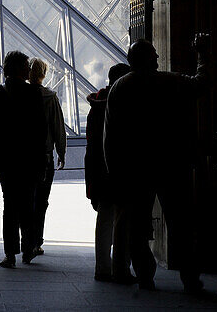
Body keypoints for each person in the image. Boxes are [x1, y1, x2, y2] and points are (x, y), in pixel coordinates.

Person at [104, 33, 210, 294]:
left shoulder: (120, 87)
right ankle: (190, 278)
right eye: (154, 53)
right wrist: (202, 54)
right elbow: (200, 84)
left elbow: (111, 136)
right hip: (172, 164)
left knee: (138, 228)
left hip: (134, 169)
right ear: (149, 60)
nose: (159, 56)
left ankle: (145, 276)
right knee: (181, 225)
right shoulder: (169, 81)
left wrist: (114, 172)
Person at [0, 50, 48, 268]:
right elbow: (41, 130)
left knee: (9, 206)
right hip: (29, 159)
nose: (28, 69)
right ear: (19, 69)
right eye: (25, 66)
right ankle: (28, 247)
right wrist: (42, 162)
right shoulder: (34, 93)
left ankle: (10, 253)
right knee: (28, 205)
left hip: (6, 160)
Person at [84, 61, 133, 283]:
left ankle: (102, 268)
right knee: (123, 223)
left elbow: (91, 146)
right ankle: (120, 267)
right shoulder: (125, 103)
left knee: (104, 220)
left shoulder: (96, 106)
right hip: (123, 168)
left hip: (100, 171)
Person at [28, 57, 67, 257]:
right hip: (44, 157)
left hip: (23, 156)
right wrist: (61, 152)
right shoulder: (50, 97)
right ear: (44, 73)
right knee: (41, 200)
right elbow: (58, 127)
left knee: (25, 199)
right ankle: (36, 241)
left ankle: (25, 239)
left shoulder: (20, 95)